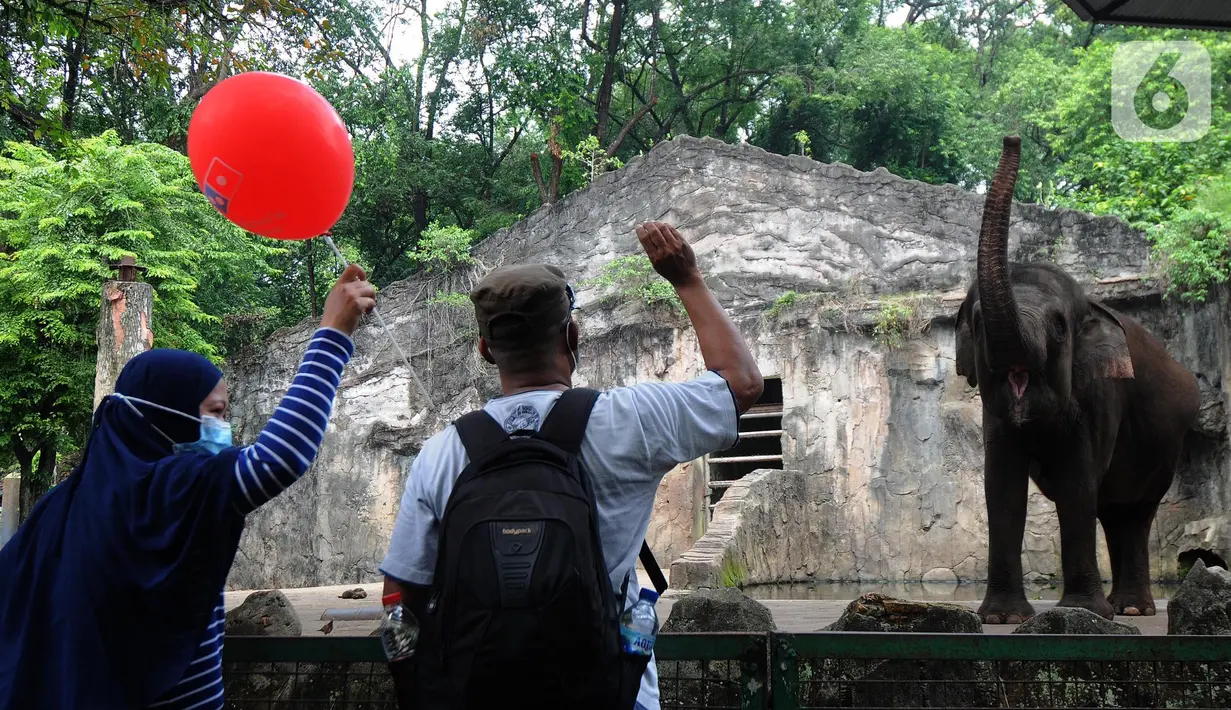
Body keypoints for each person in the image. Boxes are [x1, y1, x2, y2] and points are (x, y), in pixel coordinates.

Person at [379, 222, 763, 710]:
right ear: (572, 334)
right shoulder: (630, 421)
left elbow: (400, 597)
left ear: (484, 349)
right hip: (609, 694)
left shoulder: (442, 453)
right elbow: (742, 383)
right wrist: (685, 278)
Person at [0, 264, 377, 710]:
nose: (224, 427)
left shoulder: (59, 510)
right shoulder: (168, 491)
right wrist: (333, 332)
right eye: (215, 412)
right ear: (167, 417)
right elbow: (281, 456)